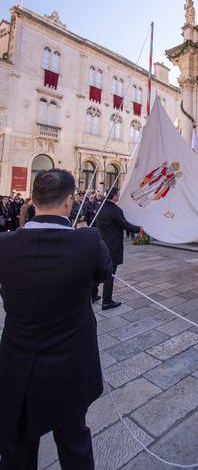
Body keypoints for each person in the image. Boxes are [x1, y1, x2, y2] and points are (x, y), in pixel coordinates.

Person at [0, 169, 112, 469]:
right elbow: (104, 272)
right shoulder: (88, 241)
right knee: (74, 445)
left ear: (34, 200)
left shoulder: (4, 244)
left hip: (18, 362)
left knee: (17, 447)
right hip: (71, 364)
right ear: (68, 203)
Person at [94, 187, 141, 310]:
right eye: (118, 194)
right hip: (112, 246)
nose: (119, 196)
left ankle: (92, 295)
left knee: (98, 270)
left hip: (100, 244)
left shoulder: (100, 207)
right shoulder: (115, 210)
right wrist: (139, 229)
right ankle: (107, 300)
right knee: (110, 274)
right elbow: (124, 224)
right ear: (114, 196)